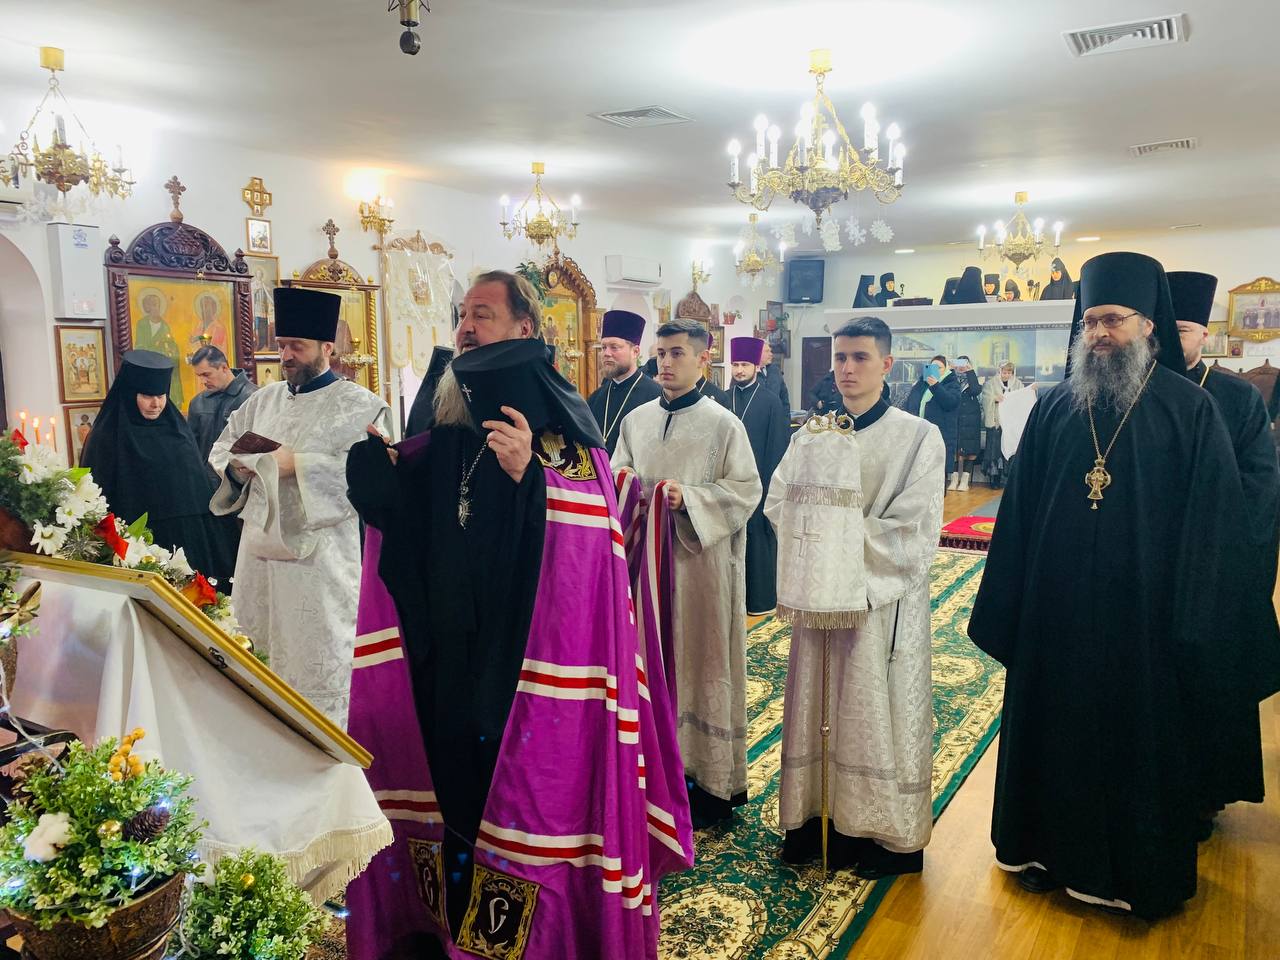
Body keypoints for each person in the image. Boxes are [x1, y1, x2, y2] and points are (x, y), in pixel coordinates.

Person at [344, 276, 692, 959]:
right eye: (462, 315)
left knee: (514, 794)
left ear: (525, 327)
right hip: (446, 650)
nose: (467, 327)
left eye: (483, 314)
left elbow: (590, 551)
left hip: (525, 665)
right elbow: (411, 529)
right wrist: (379, 475)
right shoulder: (444, 411)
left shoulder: (561, 426)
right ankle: (450, 931)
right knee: (449, 787)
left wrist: (530, 479)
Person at [967, 251, 1261, 919]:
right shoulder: (1054, 407)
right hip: (1056, 616)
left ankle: (1128, 873)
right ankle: (1042, 851)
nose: (1100, 333)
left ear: (1148, 325)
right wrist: (1014, 605)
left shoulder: (1191, 410)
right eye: (1091, 321)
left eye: (1114, 320)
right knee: (1053, 736)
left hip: (1145, 625)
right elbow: (1019, 515)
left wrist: (1193, 621)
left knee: (1136, 746)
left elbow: (1214, 526)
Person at [769, 316, 944, 877]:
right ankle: (814, 820)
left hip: (878, 605)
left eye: (860, 357)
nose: (846, 368)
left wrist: (835, 543)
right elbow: (778, 501)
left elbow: (915, 527)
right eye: (840, 357)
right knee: (816, 703)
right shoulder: (810, 436)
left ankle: (878, 834)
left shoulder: (918, 437)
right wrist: (815, 549)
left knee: (873, 709)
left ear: (886, 364)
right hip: (817, 598)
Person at [209, 286, 390, 727]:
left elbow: (376, 475)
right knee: (258, 651)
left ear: (327, 348)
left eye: (297, 346)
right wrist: (238, 469)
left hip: (320, 562)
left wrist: (300, 466)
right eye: (282, 345)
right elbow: (222, 449)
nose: (286, 356)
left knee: (320, 655)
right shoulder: (261, 401)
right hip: (258, 558)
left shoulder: (362, 406)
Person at [612, 318, 761, 823]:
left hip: (700, 570)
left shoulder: (724, 424)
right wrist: (627, 482)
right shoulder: (637, 420)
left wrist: (689, 498)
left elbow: (745, 490)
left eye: (677, 353)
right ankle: (650, 775)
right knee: (647, 660)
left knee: (701, 663)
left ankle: (708, 783)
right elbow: (616, 474)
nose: (666, 363)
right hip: (643, 571)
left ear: (703, 359)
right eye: (661, 353)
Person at [1170, 269, 1280, 825]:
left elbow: (1260, 483)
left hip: (1211, 565)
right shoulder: (1134, 391)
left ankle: (1200, 797)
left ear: (1205, 335)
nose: (1173, 341)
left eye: (1183, 331)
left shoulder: (1235, 396)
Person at [81, 350, 239, 585]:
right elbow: (97, 497)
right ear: (130, 394)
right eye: (147, 396)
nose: (156, 404)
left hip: (190, 541)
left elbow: (198, 488)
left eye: (161, 395)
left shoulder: (178, 431)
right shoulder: (106, 437)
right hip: (137, 545)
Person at [728, 337, 790, 615]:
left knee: (758, 539)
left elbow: (777, 447)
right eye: (735, 365)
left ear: (755, 366)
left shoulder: (770, 402)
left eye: (744, 364)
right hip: (729, 483)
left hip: (761, 480)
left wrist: (769, 488)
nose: (739, 370)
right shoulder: (722, 399)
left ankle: (760, 600)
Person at [587, 309, 662, 455]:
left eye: (614, 347)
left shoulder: (656, 397)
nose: (606, 353)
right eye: (603, 347)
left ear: (635, 352)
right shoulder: (595, 398)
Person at [187, 345, 257, 483]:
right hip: (205, 483)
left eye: (206, 374)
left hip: (242, 483)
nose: (203, 381)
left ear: (224, 367)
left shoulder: (254, 398)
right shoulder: (198, 402)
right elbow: (191, 449)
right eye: (199, 376)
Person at [904, 355, 960, 489]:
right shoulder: (922, 383)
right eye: (932, 367)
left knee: (937, 474)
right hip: (920, 432)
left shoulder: (951, 383)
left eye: (939, 367)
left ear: (946, 369)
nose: (935, 370)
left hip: (941, 433)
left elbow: (950, 402)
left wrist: (935, 386)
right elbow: (910, 402)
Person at [133, 289, 184, 407]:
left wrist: (170, 348)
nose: (156, 308)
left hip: (163, 363)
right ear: (147, 307)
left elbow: (171, 344)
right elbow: (139, 345)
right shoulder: (142, 324)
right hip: (148, 365)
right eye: (153, 305)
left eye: (158, 305)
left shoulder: (164, 325)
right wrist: (155, 346)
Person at [980, 361, 1024, 488]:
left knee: (1010, 450)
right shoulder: (990, 384)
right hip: (996, 423)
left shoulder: (1018, 384)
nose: (1006, 375)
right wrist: (994, 399)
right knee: (994, 451)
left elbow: (1022, 398)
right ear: (999, 372)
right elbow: (985, 399)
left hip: (1011, 424)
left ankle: (1009, 479)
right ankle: (995, 479)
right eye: (1004, 372)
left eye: (1009, 373)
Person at [952, 355, 982, 490]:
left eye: (964, 363)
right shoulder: (951, 378)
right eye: (959, 363)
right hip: (956, 417)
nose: (961, 366)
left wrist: (970, 371)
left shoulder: (974, 377)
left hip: (971, 419)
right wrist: (951, 369)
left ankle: (964, 480)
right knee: (955, 448)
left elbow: (975, 390)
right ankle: (954, 479)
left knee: (970, 448)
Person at [757, 339, 791, 411]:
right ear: (757, 353)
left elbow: (784, 398)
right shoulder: (748, 373)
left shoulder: (775, 371)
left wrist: (785, 416)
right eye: (767, 351)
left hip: (775, 416)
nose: (771, 354)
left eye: (770, 351)